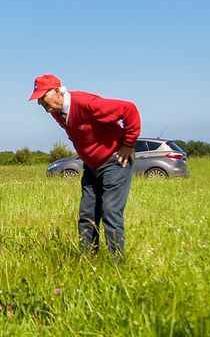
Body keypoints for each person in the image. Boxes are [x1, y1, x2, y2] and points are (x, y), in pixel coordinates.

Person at [30, 73, 140, 254]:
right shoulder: (56, 112)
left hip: (114, 162)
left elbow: (129, 109)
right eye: (38, 99)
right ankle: (88, 259)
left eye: (42, 97)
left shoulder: (86, 103)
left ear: (57, 91)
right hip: (92, 167)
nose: (40, 103)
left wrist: (128, 144)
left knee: (111, 212)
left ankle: (117, 265)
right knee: (87, 214)